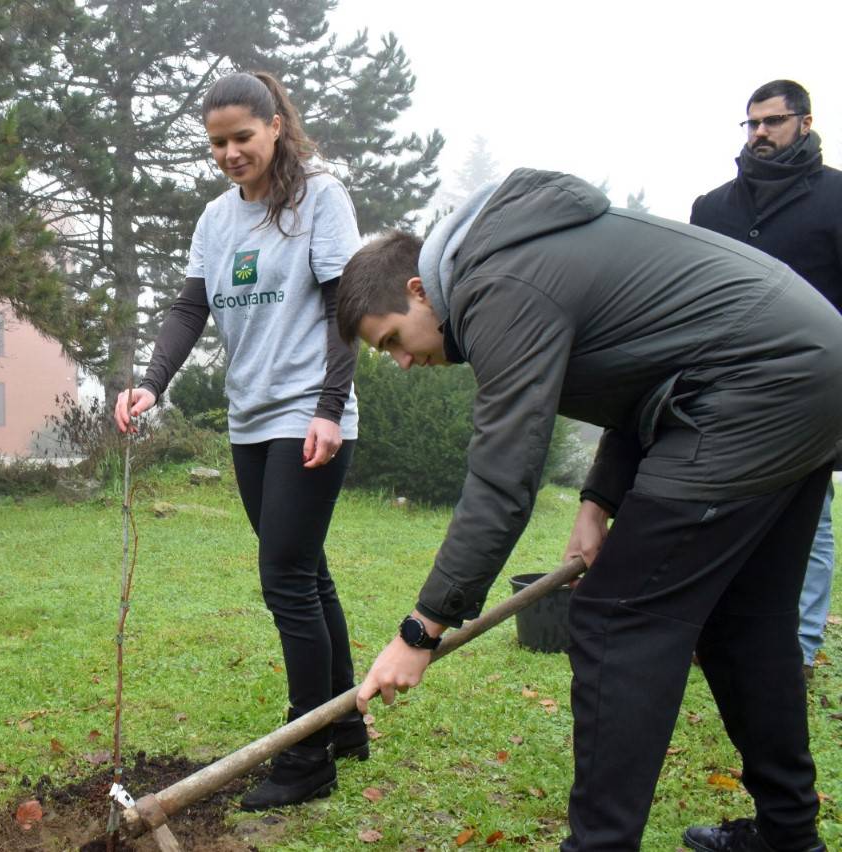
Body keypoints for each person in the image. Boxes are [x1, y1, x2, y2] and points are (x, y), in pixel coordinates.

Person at [336, 168, 841, 852]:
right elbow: (644, 371)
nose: (398, 361)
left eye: (392, 338)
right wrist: (599, 501)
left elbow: (502, 479)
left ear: (419, 290)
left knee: (615, 620)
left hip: (755, 386)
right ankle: (789, 836)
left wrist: (422, 627)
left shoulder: (498, 284)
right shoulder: (517, 256)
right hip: (806, 368)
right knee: (744, 621)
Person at [114, 71, 364, 811]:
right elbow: (189, 310)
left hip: (309, 414)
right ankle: (344, 722)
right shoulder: (217, 219)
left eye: (242, 138)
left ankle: (307, 753)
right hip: (249, 416)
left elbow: (344, 306)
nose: (229, 153)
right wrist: (150, 383)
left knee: (285, 576)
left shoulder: (320, 197)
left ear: (276, 125)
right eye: (216, 142)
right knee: (306, 570)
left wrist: (329, 405)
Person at [690, 79, 842, 687]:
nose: (759, 134)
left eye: (773, 122)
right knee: (715, 506)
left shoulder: (837, 199)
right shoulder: (714, 208)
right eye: (751, 124)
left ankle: (799, 650)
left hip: (814, 386)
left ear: (804, 124)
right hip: (727, 384)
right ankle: (714, 630)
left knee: (811, 518)